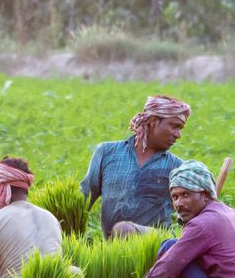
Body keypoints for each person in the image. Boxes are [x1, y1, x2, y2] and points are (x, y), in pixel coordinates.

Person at [80, 94, 189, 239]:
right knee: (121, 232)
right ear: (153, 121)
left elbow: (192, 212)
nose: (179, 134)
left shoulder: (177, 167)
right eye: (174, 126)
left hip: (156, 245)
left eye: (181, 128)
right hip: (113, 247)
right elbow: (83, 197)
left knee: (124, 230)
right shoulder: (107, 153)